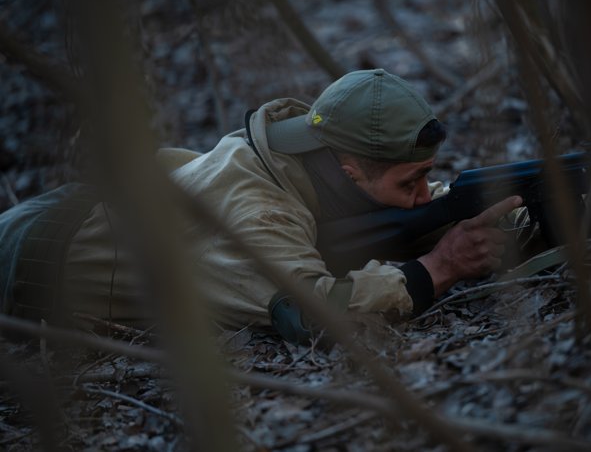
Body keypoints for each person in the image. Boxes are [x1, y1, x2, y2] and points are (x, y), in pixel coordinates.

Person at [0, 69, 522, 341]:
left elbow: (419, 209)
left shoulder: (310, 157)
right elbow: (313, 313)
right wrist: (441, 266)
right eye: (413, 181)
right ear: (350, 169)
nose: (424, 196)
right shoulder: (256, 210)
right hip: (33, 255)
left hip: (102, 207)